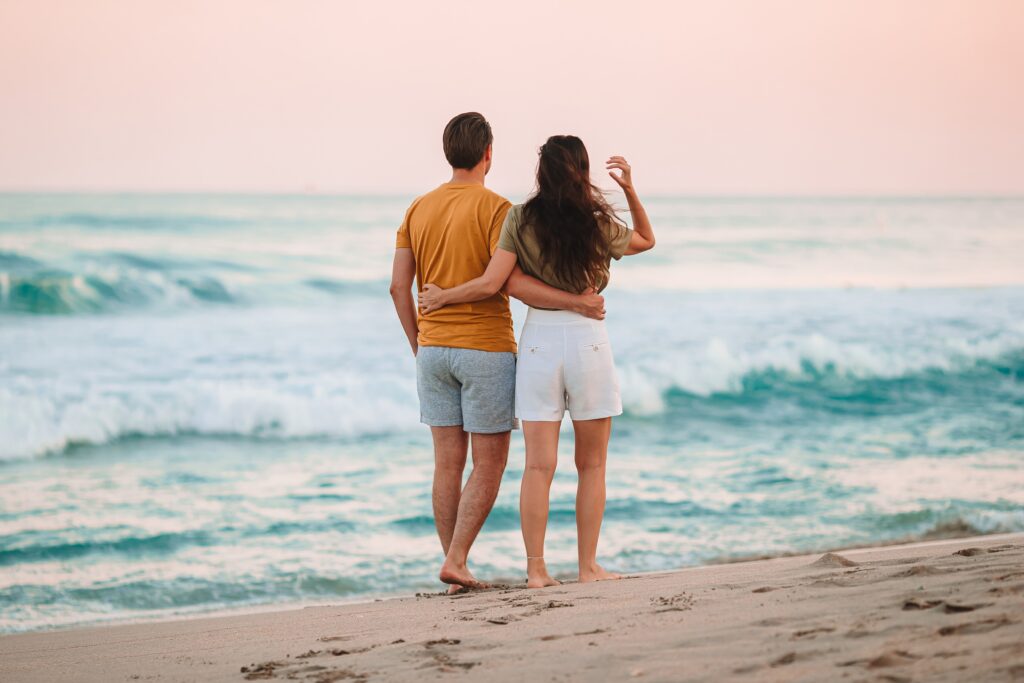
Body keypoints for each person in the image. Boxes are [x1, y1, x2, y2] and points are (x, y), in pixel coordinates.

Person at [418, 135, 656, 588]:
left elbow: (507, 283)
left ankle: (536, 570)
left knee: (537, 466)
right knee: (592, 465)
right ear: (582, 171)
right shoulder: (595, 220)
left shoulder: (519, 217)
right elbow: (646, 240)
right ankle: (588, 568)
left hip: (538, 344)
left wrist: (443, 297)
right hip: (587, 343)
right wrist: (628, 189)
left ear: (540, 173)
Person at [390, 116, 607, 592]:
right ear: (488, 152)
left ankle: (454, 569)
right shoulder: (497, 210)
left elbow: (396, 287)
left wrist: (419, 342)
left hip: (433, 350)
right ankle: (458, 560)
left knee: (446, 464)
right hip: (485, 348)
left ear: (449, 152)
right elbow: (503, 282)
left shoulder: (417, 208)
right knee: (489, 465)